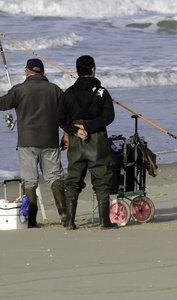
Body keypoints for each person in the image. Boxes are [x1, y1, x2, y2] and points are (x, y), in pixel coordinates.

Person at [0, 58, 66, 228]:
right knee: (55, 178)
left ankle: (31, 220)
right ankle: (65, 215)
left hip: (27, 142)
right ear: (42, 72)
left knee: (29, 181)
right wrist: (66, 135)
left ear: (27, 71)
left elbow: (1, 105)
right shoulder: (55, 90)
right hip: (50, 140)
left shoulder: (19, 90)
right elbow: (67, 114)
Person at [56, 55, 115, 230]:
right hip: (96, 140)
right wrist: (89, 128)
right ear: (92, 69)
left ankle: (69, 222)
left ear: (78, 71)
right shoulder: (101, 92)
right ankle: (105, 221)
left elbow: (60, 118)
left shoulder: (68, 93)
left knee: (73, 180)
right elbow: (109, 116)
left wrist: (75, 130)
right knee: (102, 179)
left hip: (76, 141)